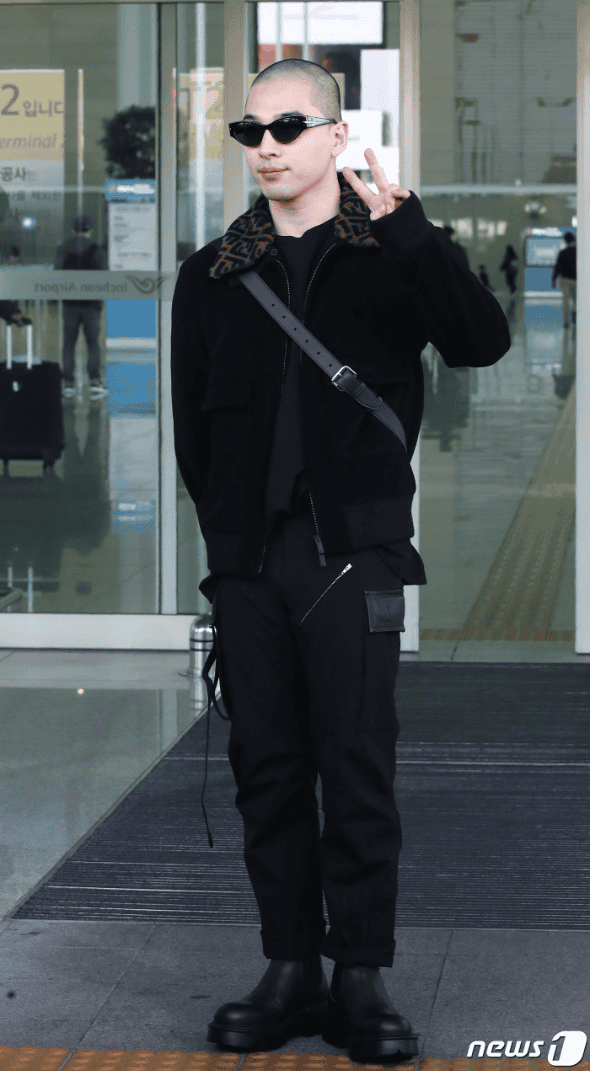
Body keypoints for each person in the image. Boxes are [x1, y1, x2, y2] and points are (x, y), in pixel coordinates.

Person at [171, 58, 511, 1064]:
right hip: (250, 565)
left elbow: (480, 343)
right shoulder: (211, 274)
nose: (266, 146)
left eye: (287, 127)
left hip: (353, 558)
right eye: (250, 131)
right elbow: (195, 433)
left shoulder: (389, 255)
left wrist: (413, 232)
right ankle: (289, 969)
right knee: (266, 770)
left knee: (356, 769)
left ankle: (360, 974)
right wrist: (227, 547)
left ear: (334, 136)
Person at [53, 213, 108, 397]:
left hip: (70, 304)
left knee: (69, 343)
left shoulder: (63, 248)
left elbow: (57, 273)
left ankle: (68, 383)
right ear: (90, 230)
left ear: (73, 230)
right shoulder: (96, 249)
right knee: (93, 343)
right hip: (91, 305)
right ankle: (94, 381)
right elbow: (104, 276)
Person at [551, 230, 576, 328]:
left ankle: (566, 321)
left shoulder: (562, 253)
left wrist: (553, 279)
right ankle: (574, 312)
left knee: (565, 301)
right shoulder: (579, 252)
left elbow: (558, 267)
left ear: (565, 241)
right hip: (577, 280)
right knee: (576, 300)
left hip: (565, 280)